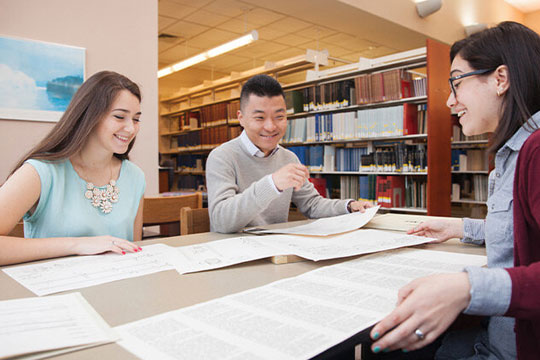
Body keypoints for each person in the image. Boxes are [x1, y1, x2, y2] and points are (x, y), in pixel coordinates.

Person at [368, 21, 540, 360]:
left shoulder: (536, 150)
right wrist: (461, 228)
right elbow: (521, 232)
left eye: (457, 82)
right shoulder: (511, 152)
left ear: (500, 80)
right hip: (493, 333)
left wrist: (468, 287)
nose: (449, 101)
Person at [0, 71, 145, 266]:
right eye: (120, 117)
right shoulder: (40, 172)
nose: (131, 128)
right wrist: (77, 245)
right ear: (89, 116)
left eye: (136, 119)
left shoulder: (135, 177)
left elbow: (133, 250)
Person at [206, 74, 372, 233]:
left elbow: (312, 204)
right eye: (260, 118)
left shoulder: (288, 158)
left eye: (279, 117)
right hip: (236, 254)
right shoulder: (222, 157)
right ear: (241, 118)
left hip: (278, 251)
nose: (271, 127)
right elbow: (221, 221)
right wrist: (272, 184)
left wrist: (348, 206)